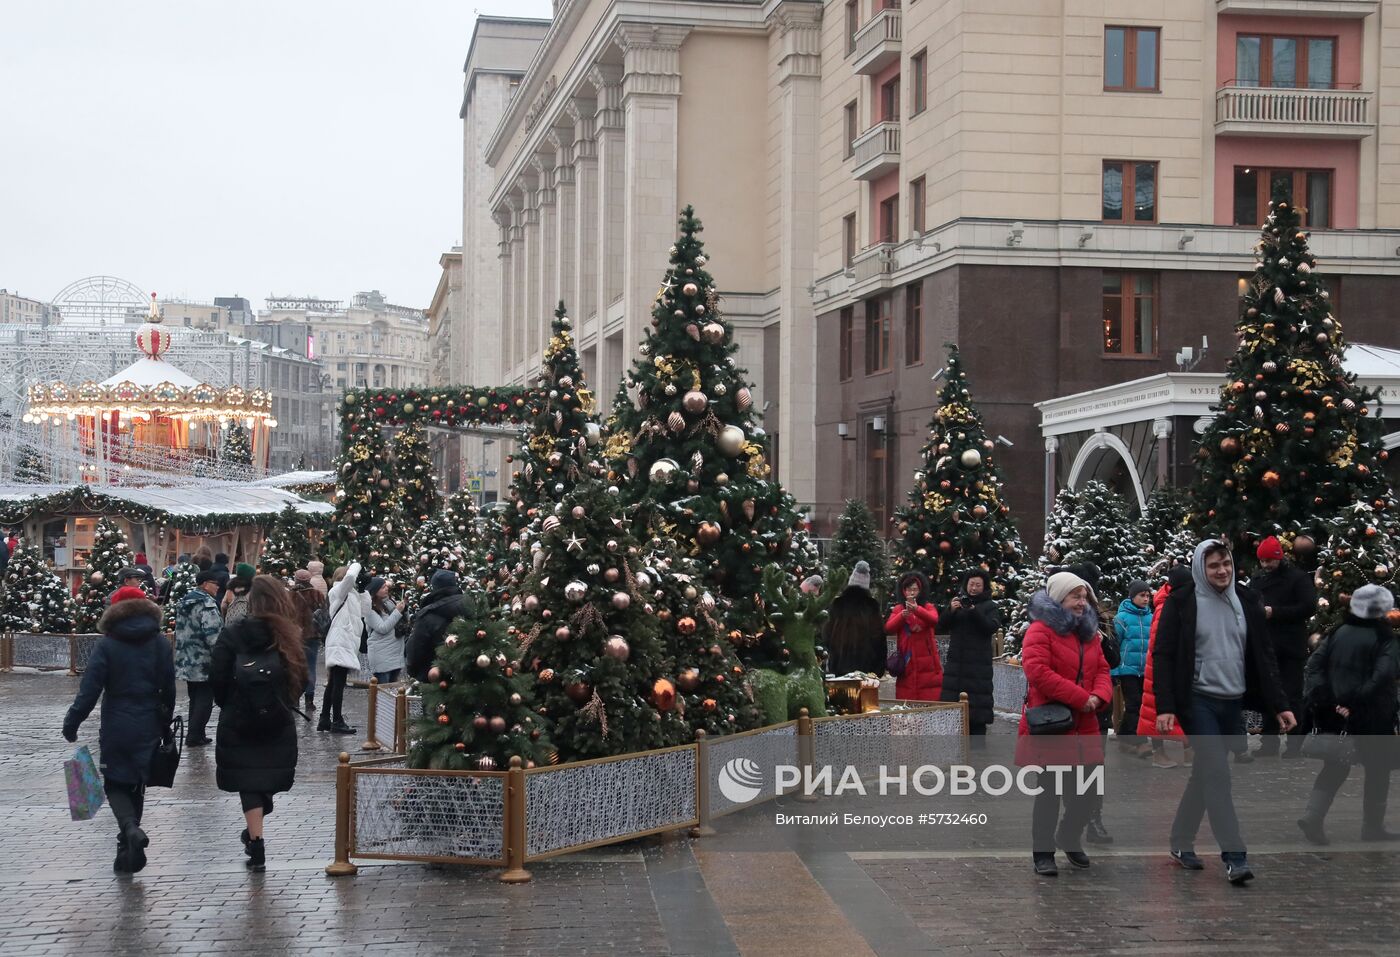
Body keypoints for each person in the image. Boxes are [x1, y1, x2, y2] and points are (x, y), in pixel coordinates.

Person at [1155, 539, 1294, 884]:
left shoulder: (1246, 600)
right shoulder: (1182, 602)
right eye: (1213, 565)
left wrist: (1280, 705)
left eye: (1226, 564)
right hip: (1198, 700)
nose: (1221, 571)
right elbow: (1164, 655)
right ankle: (1235, 856)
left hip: (1232, 702)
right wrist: (1166, 706)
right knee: (1218, 774)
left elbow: (1263, 655)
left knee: (1205, 773)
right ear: (1200, 567)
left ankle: (1180, 841)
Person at [62, 586, 176, 874]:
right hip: (149, 719)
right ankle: (126, 847)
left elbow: (90, 689)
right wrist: (165, 721)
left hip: (117, 722)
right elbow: (170, 688)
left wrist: (73, 721)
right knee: (137, 782)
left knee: (115, 781)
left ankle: (129, 830)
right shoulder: (160, 642)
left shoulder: (108, 644)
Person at [209, 575, 308, 872]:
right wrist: (283, 701)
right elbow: (301, 677)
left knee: (248, 780)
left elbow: (217, 674)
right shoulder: (287, 634)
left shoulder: (233, 633)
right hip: (277, 718)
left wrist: (229, 702)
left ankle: (257, 841)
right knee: (265, 777)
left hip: (239, 717)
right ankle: (255, 831)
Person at [1018, 572, 1112, 877]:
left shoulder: (1088, 633)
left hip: (1085, 723)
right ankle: (1043, 852)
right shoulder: (1040, 630)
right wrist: (1080, 697)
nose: (1082, 603)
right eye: (1076, 596)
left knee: (1088, 790)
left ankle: (1069, 836)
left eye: (1084, 597)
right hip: (1054, 724)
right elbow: (1038, 672)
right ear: (1060, 598)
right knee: (1050, 792)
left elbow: (1102, 670)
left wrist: (1098, 696)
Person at [1296, 583, 1400, 844]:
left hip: (1337, 712)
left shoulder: (1338, 632)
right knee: (1378, 770)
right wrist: (1354, 700)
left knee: (1335, 765)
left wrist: (1327, 698)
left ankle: (1313, 817)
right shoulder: (1385, 638)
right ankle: (1372, 827)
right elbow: (1382, 676)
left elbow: (1313, 665)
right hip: (1373, 713)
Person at [1251, 535, 1318, 758]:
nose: (1266, 565)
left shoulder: (1297, 579)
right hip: (1267, 646)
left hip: (1290, 645)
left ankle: (1294, 744)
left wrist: (1275, 612)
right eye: (1262, 561)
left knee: (1292, 694)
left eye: (1269, 560)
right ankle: (1268, 743)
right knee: (1269, 693)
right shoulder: (1258, 581)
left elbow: (1308, 607)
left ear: (1279, 558)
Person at [1137, 565, 1193, 769]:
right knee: (1155, 711)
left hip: (1163, 663)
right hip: (1161, 665)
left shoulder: (1170, 602)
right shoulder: (1168, 605)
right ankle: (1159, 754)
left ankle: (1187, 752)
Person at [938, 568, 1000, 738]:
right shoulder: (957, 602)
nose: (973, 588)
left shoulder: (990, 606)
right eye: (971, 584)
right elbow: (941, 625)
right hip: (956, 664)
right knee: (953, 706)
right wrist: (950, 610)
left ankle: (978, 748)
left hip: (978, 667)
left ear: (984, 587)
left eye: (978, 585)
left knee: (977, 708)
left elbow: (991, 627)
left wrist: (974, 611)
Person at [174, 569, 224, 747]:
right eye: (215, 583)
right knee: (204, 698)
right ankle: (194, 735)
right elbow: (213, 635)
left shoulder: (185, 601)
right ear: (204, 584)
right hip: (203, 660)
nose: (218, 587)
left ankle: (197, 733)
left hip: (187, 659)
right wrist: (221, 654)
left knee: (194, 697)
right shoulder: (207, 604)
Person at [406, 570, 475, 682]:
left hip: (435, 679)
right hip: (469, 676)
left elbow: (415, 650)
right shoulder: (471, 607)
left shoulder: (427, 615)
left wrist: (415, 672)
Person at [321, 562, 365, 734]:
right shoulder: (338, 591)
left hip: (346, 642)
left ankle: (325, 718)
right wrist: (356, 565)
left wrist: (364, 590)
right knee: (338, 684)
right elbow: (350, 577)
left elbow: (365, 610)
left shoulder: (352, 594)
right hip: (340, 641)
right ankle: (337, 720)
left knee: (333, 682)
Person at [1112, 580, 1153, 758]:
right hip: (1127, 669)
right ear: (1132, 597)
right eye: (1142, 595)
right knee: (1134, 703)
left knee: (1141, 705)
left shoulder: (1151, 617)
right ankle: (1139, 742)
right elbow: (1114, 646)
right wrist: (1114, 671)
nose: (1146, 599)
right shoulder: (1121, 619)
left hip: (1145, 670)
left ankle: (1124, 735)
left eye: (1148, 595)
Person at [885, 571, 942, 701]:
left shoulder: (928, 607)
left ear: (920, 590)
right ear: (903, 591)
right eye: (909, 589)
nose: (912, 593)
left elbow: (934, 620)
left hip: (928, 661)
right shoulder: (898, 609)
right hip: (907, 660)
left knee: (929, 700)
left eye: (915, 589)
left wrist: (917, 610)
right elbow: (888, 628)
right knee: (907, 699)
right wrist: (901, 616)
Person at [823, 561, 886, 676]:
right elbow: (878, 637)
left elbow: (827, 633)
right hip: (866, 665)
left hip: (839, 664)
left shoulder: (838, 604)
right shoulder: (871, 605)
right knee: (865, 693)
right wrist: (878, 668)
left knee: (840, 693)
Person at [291, 569, 327, 715]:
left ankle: (294, 698)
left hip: (295, 636)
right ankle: (309, 700)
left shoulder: (290, 595)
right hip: (313, 635)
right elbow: (324, 613)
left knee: (295, 667)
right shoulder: (317, 594)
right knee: (311, 666)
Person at [364, 576, 406, 683]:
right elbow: (383, 628)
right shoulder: (369, 609)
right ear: (375, 591)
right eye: (382, 587)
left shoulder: (389, 602)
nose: (386, 589)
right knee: (383, 694)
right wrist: (397, 612)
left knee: (393, 692)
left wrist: (404, 611)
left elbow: (397, 620)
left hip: (395, 655)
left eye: (386, 586)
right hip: (382, 657)